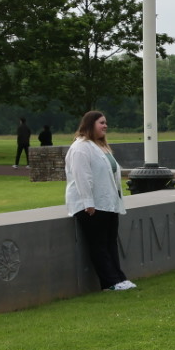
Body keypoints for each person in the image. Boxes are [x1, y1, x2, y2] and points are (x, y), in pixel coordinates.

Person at [64, 110, 135, 291]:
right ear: (90, 124)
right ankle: (109, 282)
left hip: (108, 204)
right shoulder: (81, 147)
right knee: (99, 244)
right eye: (101, 123)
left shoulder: (100, 146)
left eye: (105, 122)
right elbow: (82, 176)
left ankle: (119, 278)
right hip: (91, 206)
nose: (105, 126)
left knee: (110, 243)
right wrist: (88, 202)